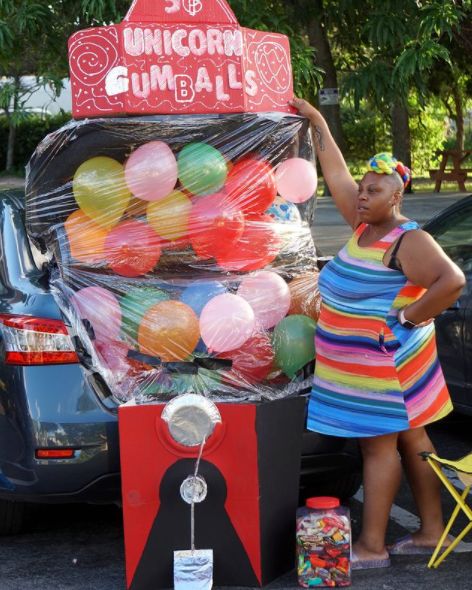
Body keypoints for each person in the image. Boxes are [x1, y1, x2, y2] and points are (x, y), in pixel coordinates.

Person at [290, 97, 466, 570]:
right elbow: (335, 171)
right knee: (413, 439)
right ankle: (430, 531)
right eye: (364, 189)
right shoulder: (361, 224)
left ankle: (371, 546)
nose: (363, 195)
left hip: (383, 368)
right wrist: (316, 120)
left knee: (378, 446)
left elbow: (451, 281)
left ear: (397, 198)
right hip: (375, 366)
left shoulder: (408, 240)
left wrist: (410, 317)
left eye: (375, 191)